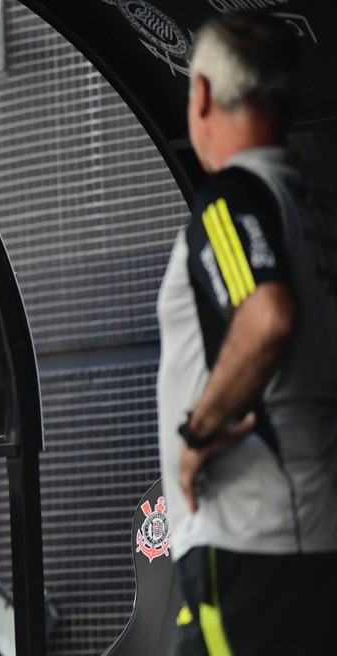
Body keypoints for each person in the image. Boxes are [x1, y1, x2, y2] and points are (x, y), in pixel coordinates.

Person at [156, 11, 337, 655]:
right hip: (312, 535)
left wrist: (199, 433)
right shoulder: (317, 200)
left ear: (201, 93)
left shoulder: (233, 198)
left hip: (252, 538)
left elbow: (266, 315)